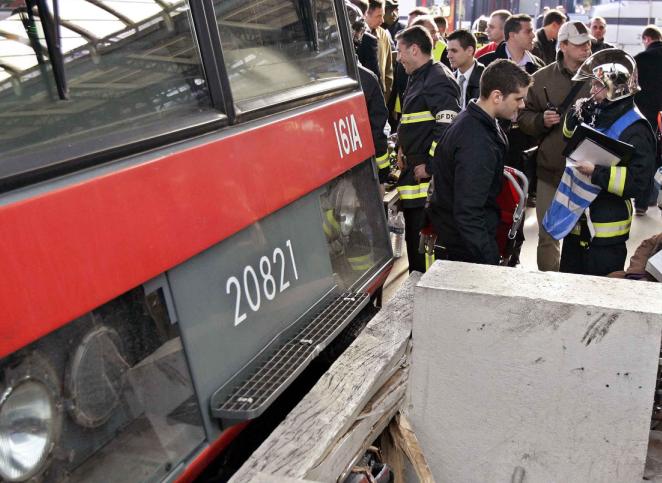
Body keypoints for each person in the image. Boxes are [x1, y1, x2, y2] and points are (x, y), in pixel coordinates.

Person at [557, 49, 656, 275]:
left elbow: (639, 183)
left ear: (614, 87)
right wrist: (576, 114)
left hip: (605, 236)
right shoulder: (598, 111)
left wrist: (597, 172)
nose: (591, 91)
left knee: (598, 303)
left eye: (596, 86)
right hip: (577, 226)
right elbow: (569, 137)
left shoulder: (636, 129)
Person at [427, 59, 532, 265]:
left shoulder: (475, 120)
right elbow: (469, 213)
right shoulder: (477, 142)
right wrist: (489, 260)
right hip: (465, 250)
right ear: (496, 96)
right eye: (518, 98)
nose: (522, 105)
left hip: (462, 241)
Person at [518, 21, 592, 272]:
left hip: (588, 175)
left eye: (588, 43)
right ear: (563, 46)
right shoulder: (540, 79)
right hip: (551, 173)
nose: (587, 48)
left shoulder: (598, 78)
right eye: (580, 44)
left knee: (581, 239)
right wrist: (541, 120)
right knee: (548, 235)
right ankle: (546, 291)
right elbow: (522, 116)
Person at [395, 25, 461, 272]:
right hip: (414, 174)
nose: (398, 57)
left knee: (425, 241)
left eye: (400, 51)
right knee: (414, 238)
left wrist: (431, 165)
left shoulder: (437, 79)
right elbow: (415, 121)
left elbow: (447, 127)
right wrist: (402, 147)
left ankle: (424, 286)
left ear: (414, 49)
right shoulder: (420, 76)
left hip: (426, 180)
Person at [634, 25, 662, 214]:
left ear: (646, 39)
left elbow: (631, 89)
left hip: (645, 117)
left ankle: (642, 203)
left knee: (646, 155)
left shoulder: (640, 59)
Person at [447, 29, 485, 109]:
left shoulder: (486, 79)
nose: (448, 56)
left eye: (454, 51)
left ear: (469, 51)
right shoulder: (448, 80)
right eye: (448, 51)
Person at [365, 0, 394, 100]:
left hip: (379, 100)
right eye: (378, 16)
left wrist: (384, 98)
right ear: (366, 14)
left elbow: (388, 71)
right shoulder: (353, 35)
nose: (382, 20)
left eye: (383, 15)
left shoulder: (383, 35)